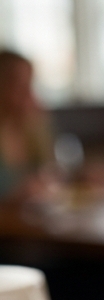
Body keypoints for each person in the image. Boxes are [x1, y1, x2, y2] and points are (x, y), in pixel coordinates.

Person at [0, 50, 51, 201]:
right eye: (20, 87)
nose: (30, 96)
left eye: (30, 86)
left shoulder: (31, 129)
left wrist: (80, 175)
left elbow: (50, 173)